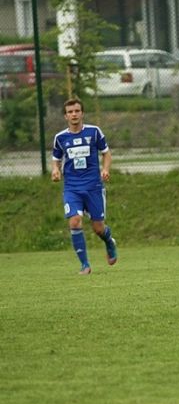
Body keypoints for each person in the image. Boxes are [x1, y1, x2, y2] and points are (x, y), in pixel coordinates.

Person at [51, 98, 118, 275]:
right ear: (65, 116)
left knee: (98, 228)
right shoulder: (60, 138)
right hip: (72, 188)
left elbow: (106, 153)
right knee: (74, 221)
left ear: (82, 113)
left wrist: (105, 169)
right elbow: (56, 159)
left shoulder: (94, 132)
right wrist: (55, 170)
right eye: (70, 112)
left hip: (93, 187)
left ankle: (109, 242)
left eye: (77, 111)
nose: (74, 114)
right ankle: (85, 265)